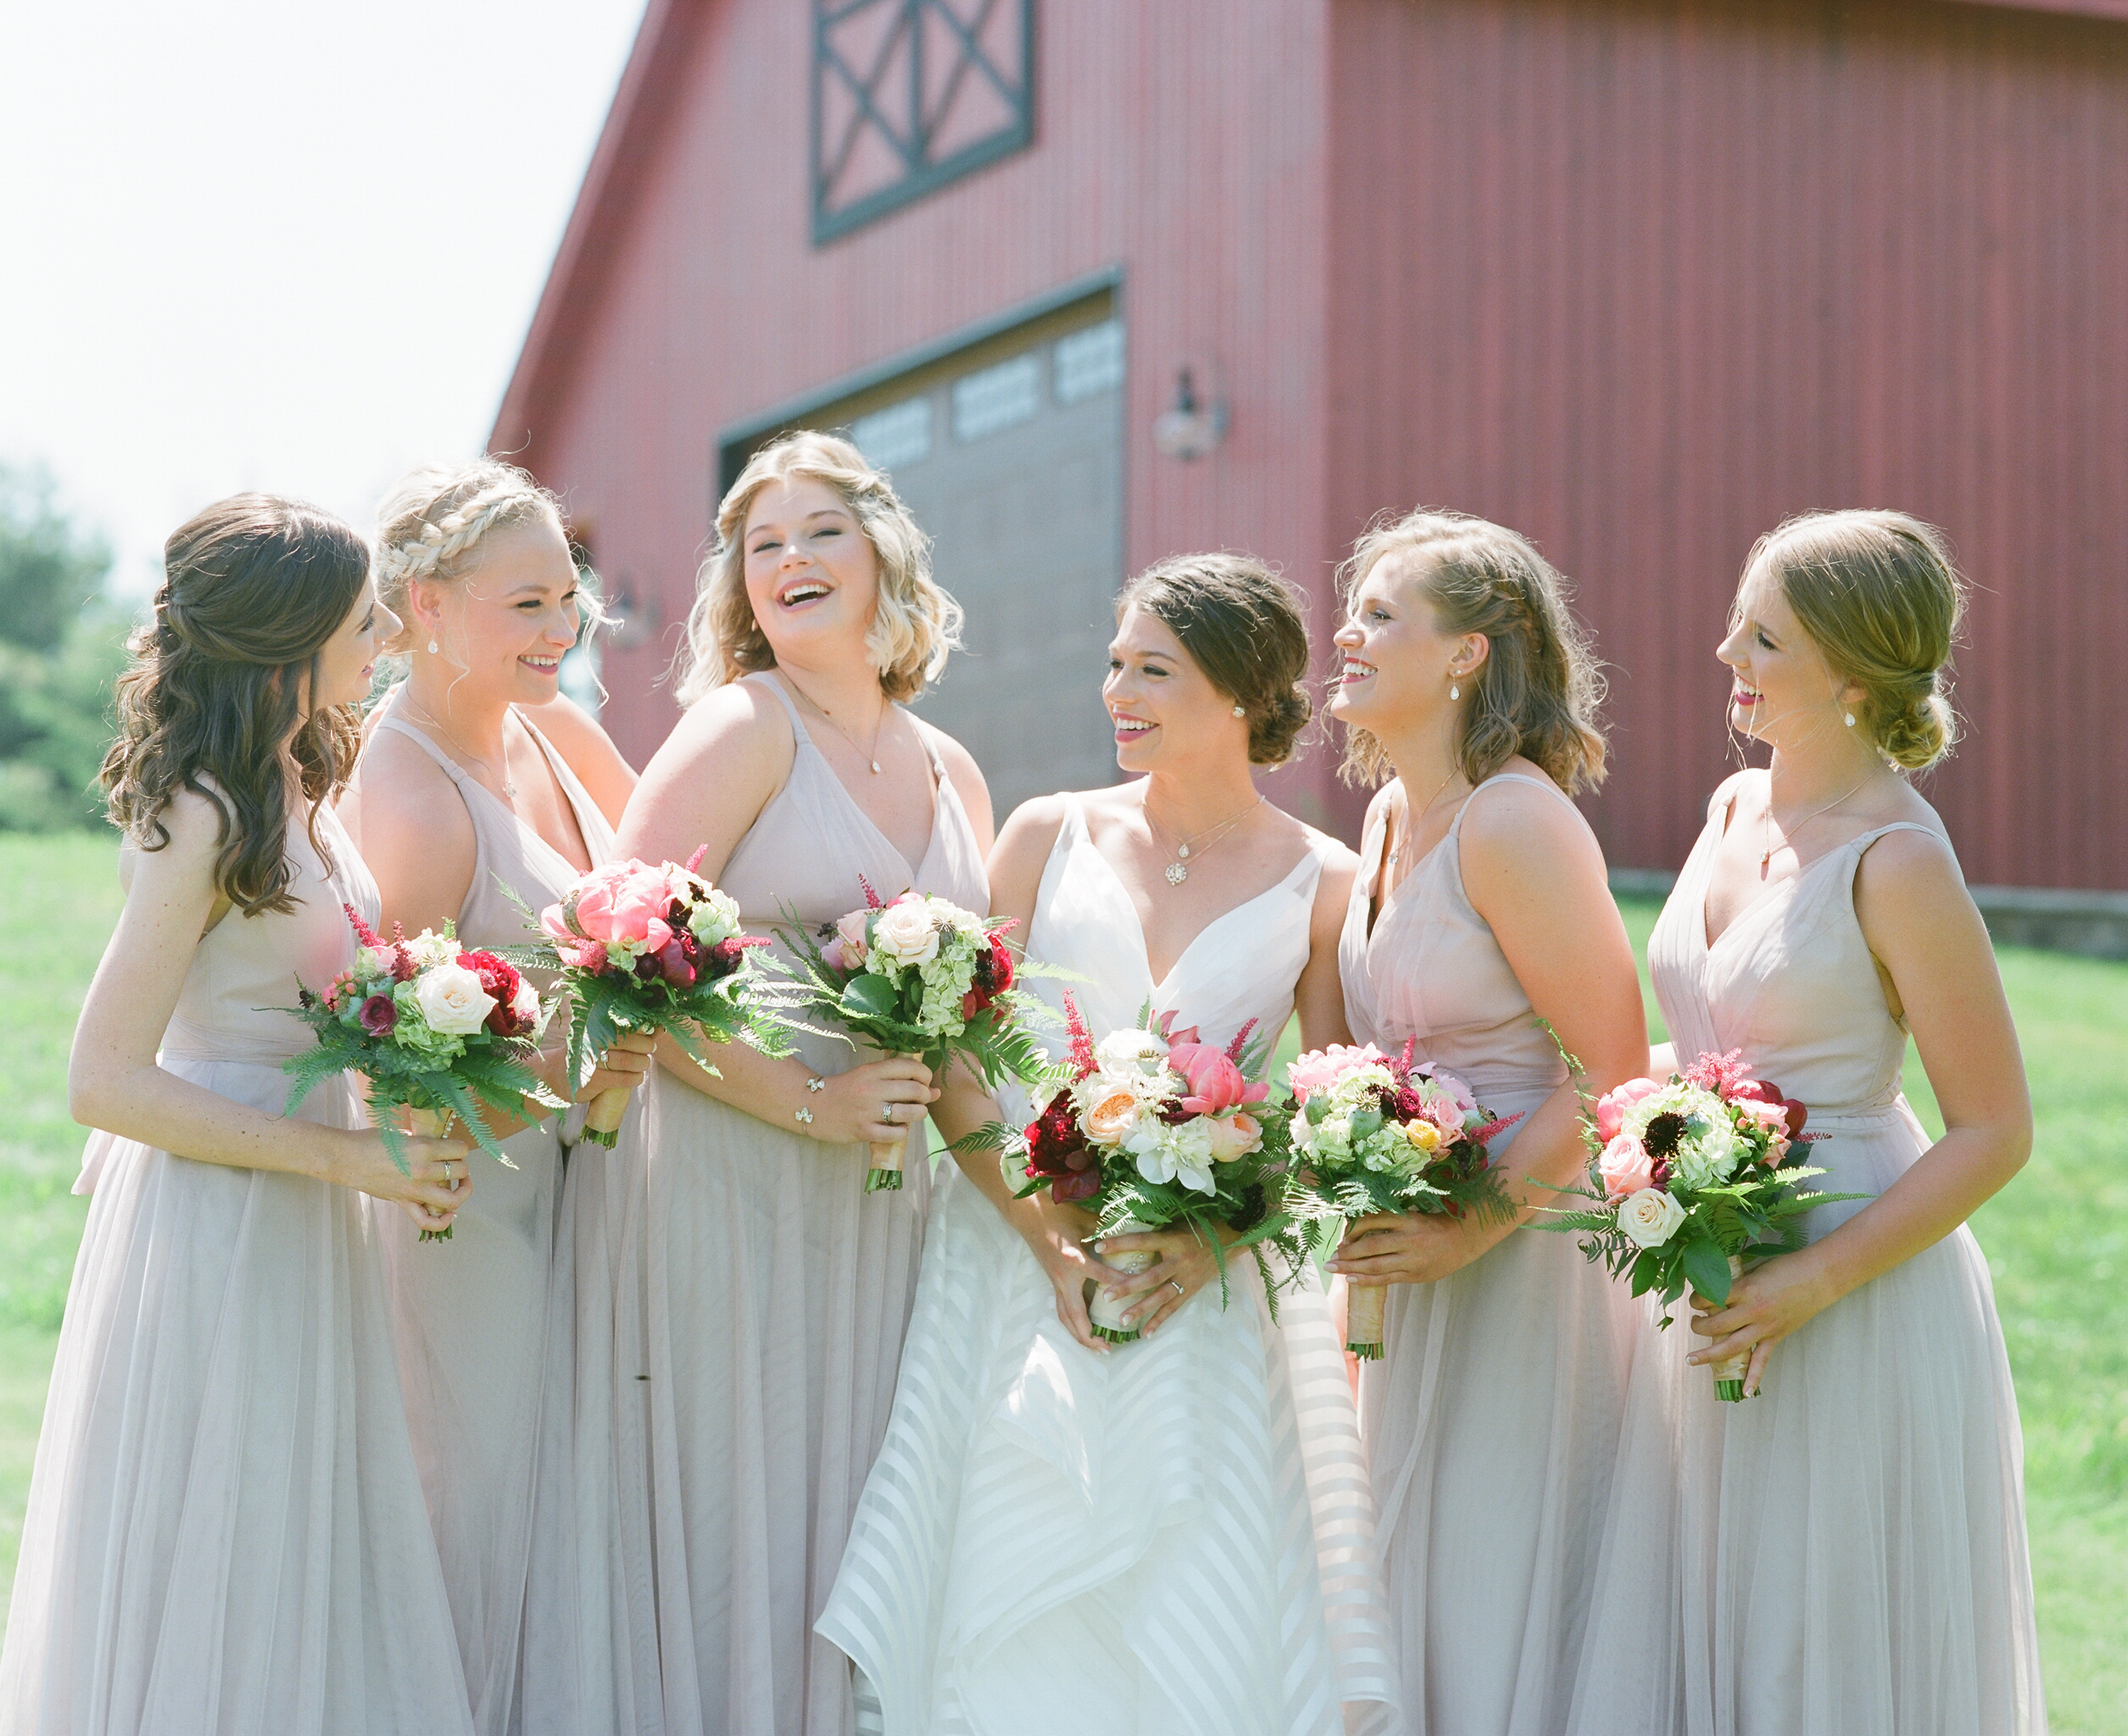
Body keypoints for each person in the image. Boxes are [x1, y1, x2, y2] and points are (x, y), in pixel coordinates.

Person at [820, 554, 1400, 1735]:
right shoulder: (1047, 833)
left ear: (1240, 693)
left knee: (1196, 1591)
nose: (1115, 691)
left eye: (1152, 670)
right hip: (1008, 1269)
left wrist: (1211, 1241)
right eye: (1114, 663)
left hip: (1204, 1291)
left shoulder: (1323, 880)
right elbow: (958, 1060)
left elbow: (1326, 1111)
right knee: (1000, 1570)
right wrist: (1049, 1243)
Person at [523, 431, 992, 1736]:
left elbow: (968, 1032)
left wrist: (1038, 1215)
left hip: (883, 1207)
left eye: (817, 532)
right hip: (723, 1185)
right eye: (761, 543)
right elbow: (613, 971)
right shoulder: (737, 729)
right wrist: (810, 1104)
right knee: (738, 1511)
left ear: (884, 551)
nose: (787, 559)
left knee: (856, 1511)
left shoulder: (951, 766)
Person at [0, 496, 476, 1734]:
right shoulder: (203, 812)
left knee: (298, 1545)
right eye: (358, 615)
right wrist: (343, 1156)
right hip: (220, 1214)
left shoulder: (293, 779)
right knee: (227, 1543)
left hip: (306, 1211)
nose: (379, 633)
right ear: (289, 636)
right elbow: (102, 1076)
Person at [1566, 511, 2046, 1735]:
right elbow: (1711, 1033)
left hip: (1854, 1285)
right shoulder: (1731, 808)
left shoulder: (1896, 862)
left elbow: (1993, 1128)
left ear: (1847, 672)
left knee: (1811, 1632)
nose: (1725, 649)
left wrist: (1810, 1284)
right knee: (1710, 1604)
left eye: (1761, 634)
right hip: (1710, 1257)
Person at [1323, 508, 1649, 1734]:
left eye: (1380, 616)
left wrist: (1477, 1225)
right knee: (1409, 1587)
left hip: (1521, 1263)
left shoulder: (1513, 822)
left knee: (1496, 1582)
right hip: (1418, 1255)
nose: (1345, 636)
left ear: (1466, 654)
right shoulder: (1387, 819)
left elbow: (1608, 1063)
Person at [345, 459, 654, 1735]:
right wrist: (585, 1070)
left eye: (568, 598)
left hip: (599, 1190)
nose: (562, 630)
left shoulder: (562, 733)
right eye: (525, 604)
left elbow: (679, 919)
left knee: (584, 1515)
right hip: (466, 1222)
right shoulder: (403, 797)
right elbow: (401, 1088)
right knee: (475, 1514)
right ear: (423, 605)